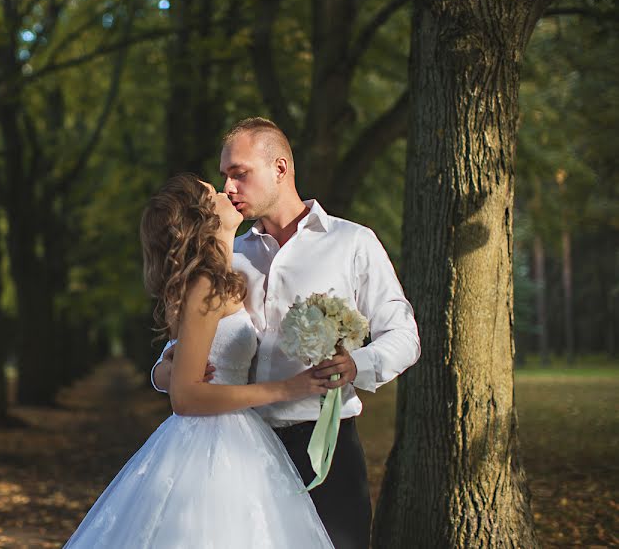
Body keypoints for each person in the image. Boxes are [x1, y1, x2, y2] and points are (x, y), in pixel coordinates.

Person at [152, 117, 421, 549]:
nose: (229, 188)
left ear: (280, 168)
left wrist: (357, 364)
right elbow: (178, 353)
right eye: (224, 176)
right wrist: (162, 372)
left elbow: (404, 335)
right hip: (241, 454)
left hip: (326, 449)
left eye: (239, 173)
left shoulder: (353, 243)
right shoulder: (227, 254)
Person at [65, 173, 334, 547]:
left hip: (241, 436)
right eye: (214, 192)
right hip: (213, 441)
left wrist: (165, 369)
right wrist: (287, 388)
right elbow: (186, 398)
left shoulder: (219, 277)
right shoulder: (205, 286)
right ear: (203, 217)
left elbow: (182, 361)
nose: (226, 191)